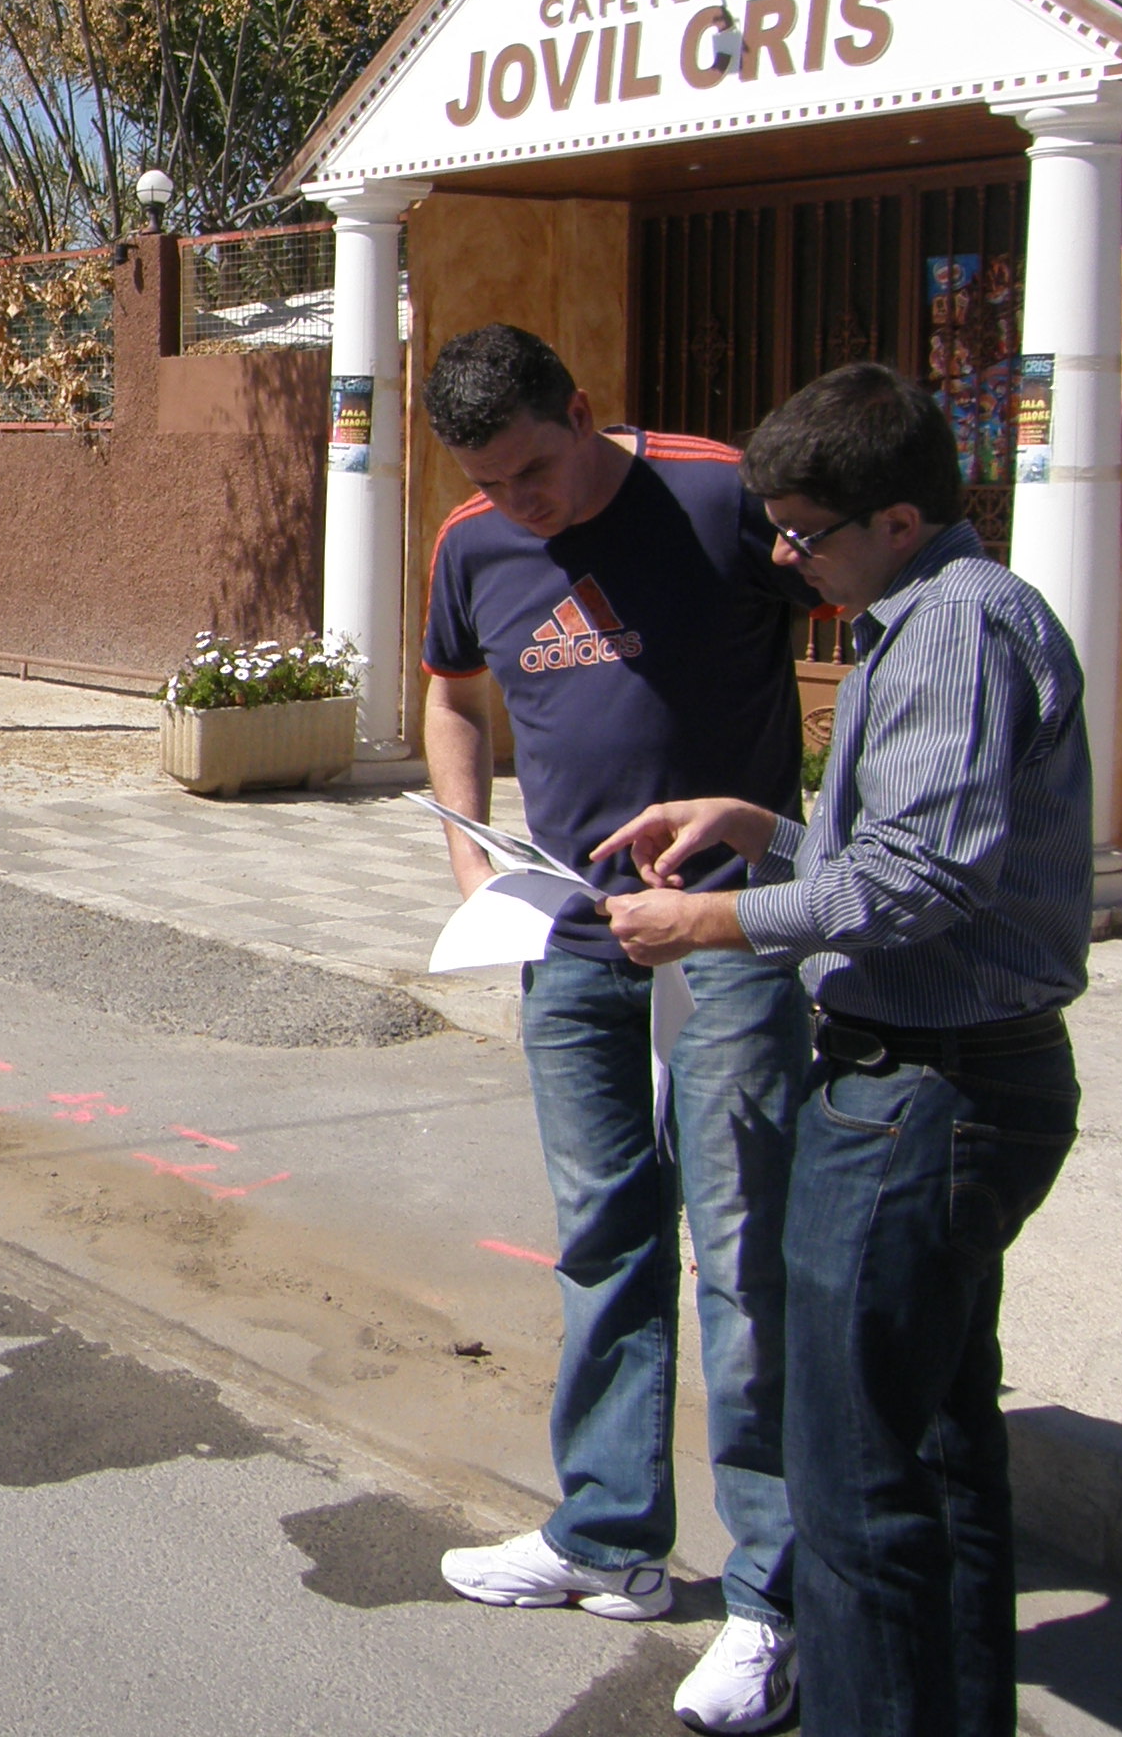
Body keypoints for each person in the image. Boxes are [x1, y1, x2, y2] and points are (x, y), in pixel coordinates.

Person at [601, 363, 1090, 1737]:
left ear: (899, 519)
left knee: (856, 1479)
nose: (782, 557)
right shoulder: (929, 614)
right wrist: (762, 830)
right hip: (944, 1076)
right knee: (933, 1443)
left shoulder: (952, 627)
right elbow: (904, 851)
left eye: (804, 532)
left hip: (925, 1089)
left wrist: (712, 920)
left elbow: (919, 880)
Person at [416, 325, 811, 1736]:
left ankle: (774, 1598)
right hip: (572, 936)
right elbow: (453, 694)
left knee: (745, 1249)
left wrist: (816, 849)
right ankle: (608, 1536)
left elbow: (867, 621)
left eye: (534, 469)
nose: (519, 504)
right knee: (602, 1229)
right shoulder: (472, 543)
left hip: (730, 934)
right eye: (489, 482)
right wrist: (475, 861)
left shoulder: (719, 493)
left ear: (583, 412)